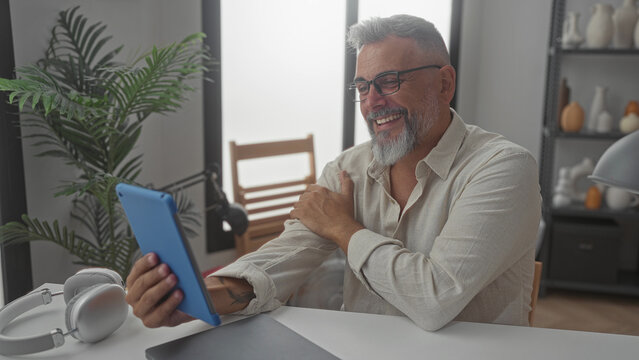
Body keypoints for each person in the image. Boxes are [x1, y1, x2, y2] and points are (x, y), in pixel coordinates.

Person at [125, 14, 541, 331]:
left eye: (389, 81)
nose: (372, 102)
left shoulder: (503, 168)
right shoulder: (347, 169)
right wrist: (195, 299)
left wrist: (344, 229)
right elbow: (284, 258)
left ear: (445, 83)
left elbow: (436, 298)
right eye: (362, 87)